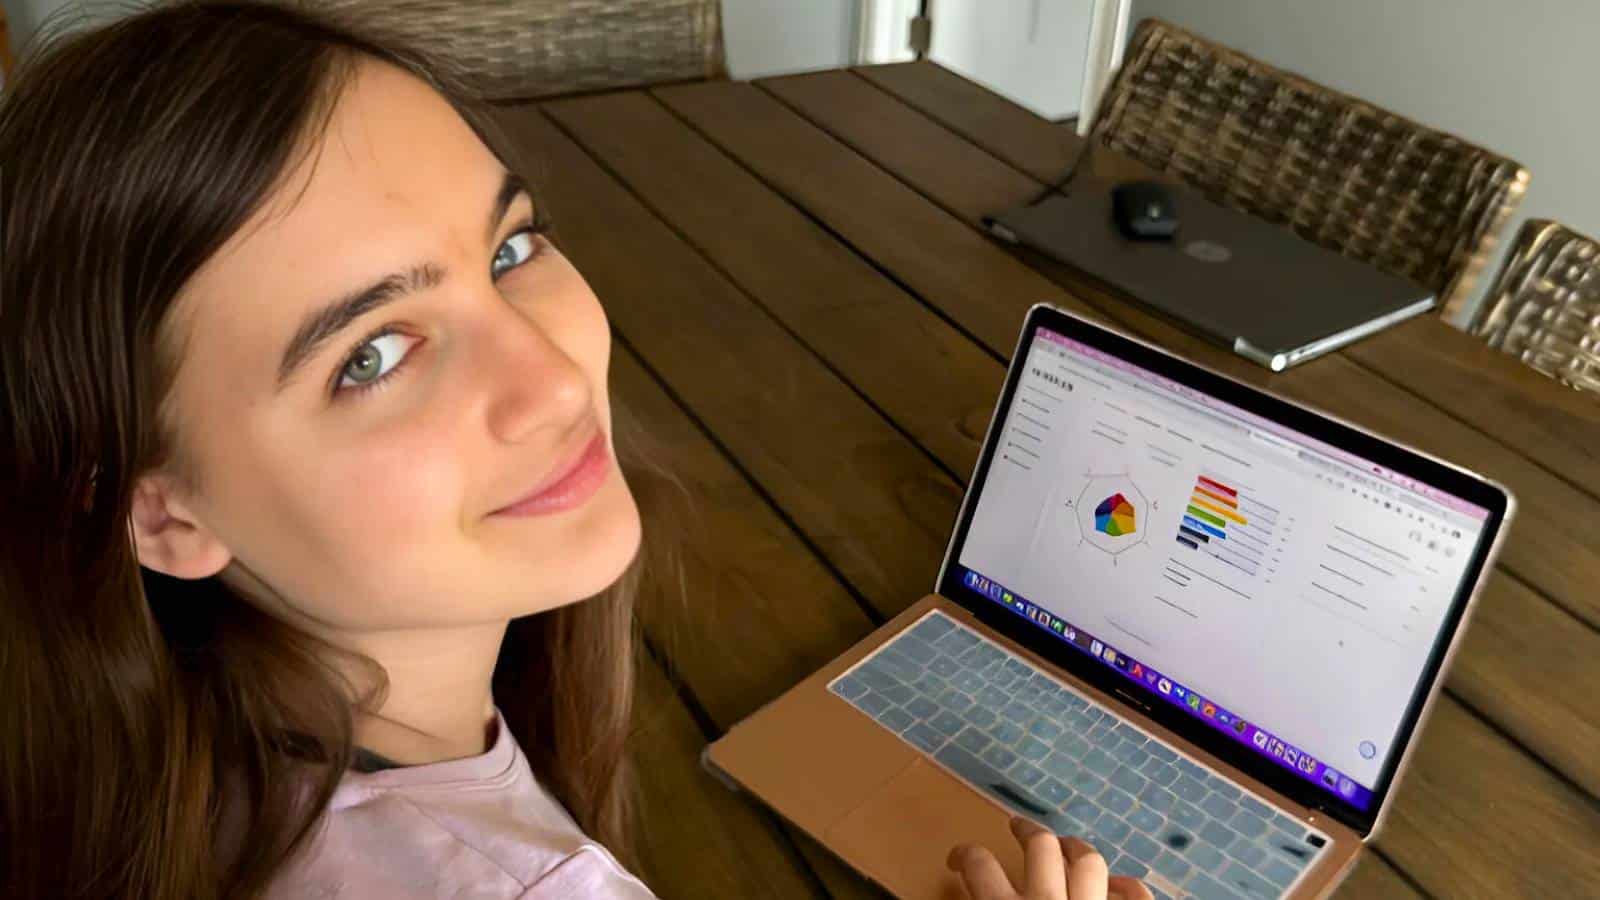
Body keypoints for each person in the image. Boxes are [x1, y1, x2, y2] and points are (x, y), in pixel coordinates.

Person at [0, 2, 1154, 898]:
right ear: (164, 516)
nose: (553, 381)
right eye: (372, 354)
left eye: (508, 251)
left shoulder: (136, 770)